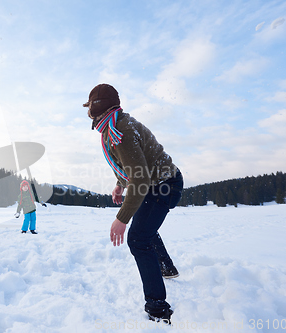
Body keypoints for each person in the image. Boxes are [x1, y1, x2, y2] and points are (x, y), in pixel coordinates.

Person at [83, 84, 183, 324]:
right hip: (158, 183)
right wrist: (120, 183)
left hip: (163, 185)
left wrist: (122, 218)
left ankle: (158, 309)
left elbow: (139, 177)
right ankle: (167, 268)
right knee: (145, 229)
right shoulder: (116, 125)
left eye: (89, 109)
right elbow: (132, 164)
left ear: (97, 109)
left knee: (138, 238)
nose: (88, 114)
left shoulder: (120, 131)